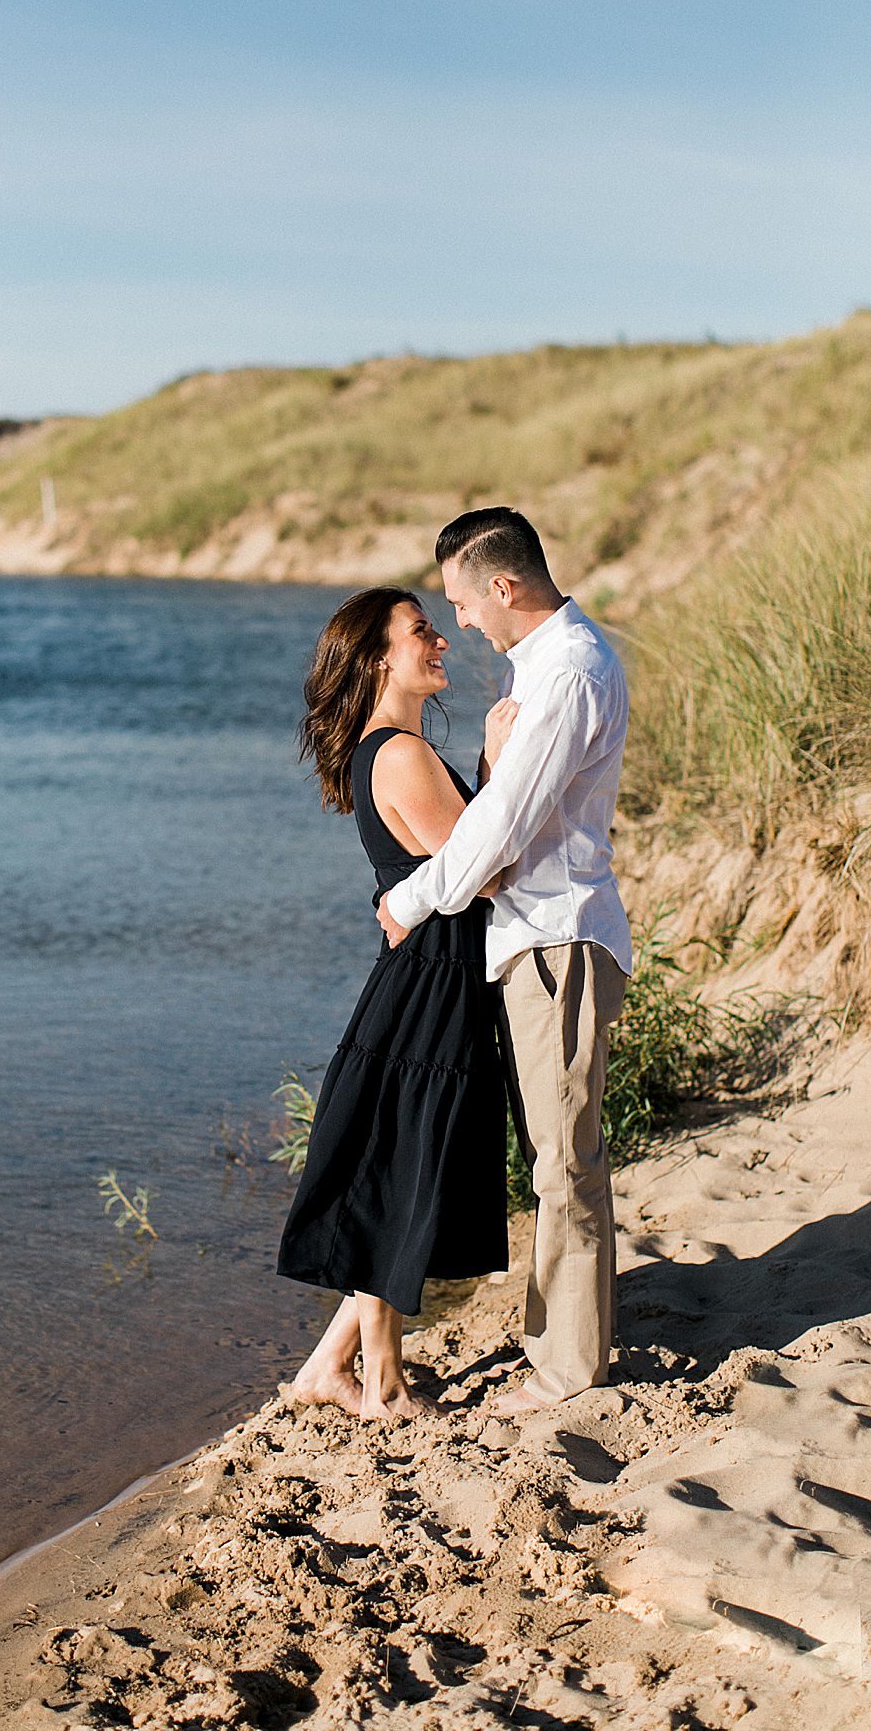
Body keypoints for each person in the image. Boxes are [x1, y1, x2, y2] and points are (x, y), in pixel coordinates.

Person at [377, 508, 631, 1414]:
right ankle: (565, 1346)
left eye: (462, 603)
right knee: (557, 1155)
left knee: (564, 1163)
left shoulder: (568, 673)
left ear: (502, 586)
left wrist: (408, 901)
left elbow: (501, 828)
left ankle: (569, 1371)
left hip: (558, 938)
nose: (460, 623)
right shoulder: (547, 665)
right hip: (541, 935)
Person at [277, 586, 514, 1420]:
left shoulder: (388, 749)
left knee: (400, 1168)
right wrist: (494, 767)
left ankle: (327, 1369)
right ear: (380, 658)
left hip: (428, 976)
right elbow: (484, 872)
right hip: (431, 985)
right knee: (398, 1172)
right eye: (422, 631)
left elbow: (455, 862)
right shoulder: (402, 755)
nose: (441, 641)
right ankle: (382, 1384)